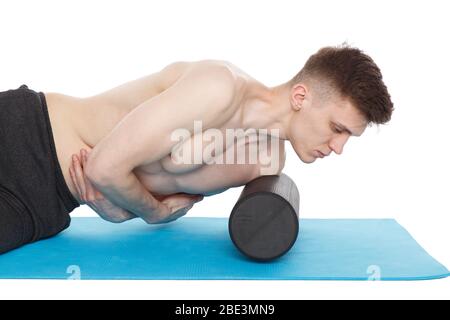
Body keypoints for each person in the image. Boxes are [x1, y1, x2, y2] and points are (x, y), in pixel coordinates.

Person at [0, 44, 394, 254]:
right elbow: (106, 171)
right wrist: (147, 212)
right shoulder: (219, 85)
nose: (339, 147)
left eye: (348, 138)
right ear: (301, 96)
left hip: (47, 206)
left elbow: (132, 196)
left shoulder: (263, 160)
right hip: (25, 134)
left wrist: (120, 210)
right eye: (337, 128)